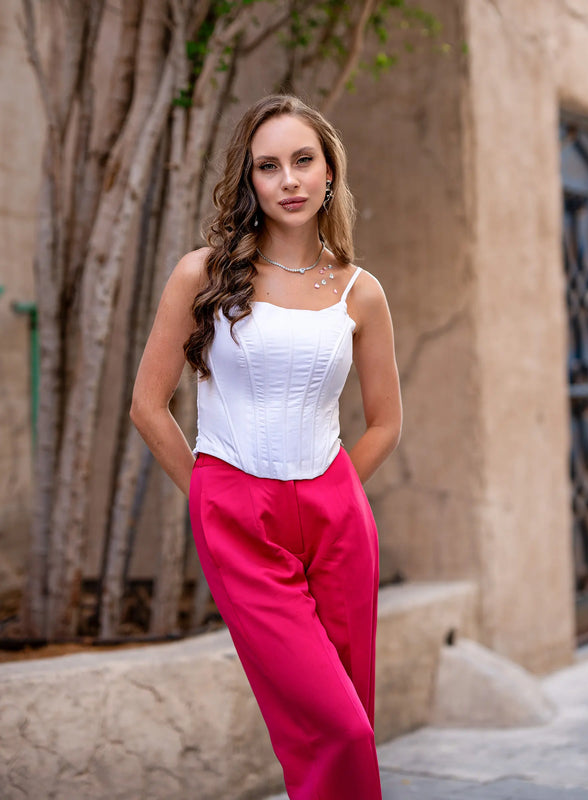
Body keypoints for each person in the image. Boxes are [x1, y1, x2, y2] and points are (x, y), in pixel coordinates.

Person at [130, 94, 402, 800]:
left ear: (329, 172)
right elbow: (147, 407)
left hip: (338, 519)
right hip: (238, 515)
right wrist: (212, 501)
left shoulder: (360, 291)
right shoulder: (204, 274)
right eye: (269, 166)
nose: (289, 180)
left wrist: (333, 491)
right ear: (249, 181)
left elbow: (383, 422)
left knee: (350, 722)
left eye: (303, 161)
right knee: (338, 729)